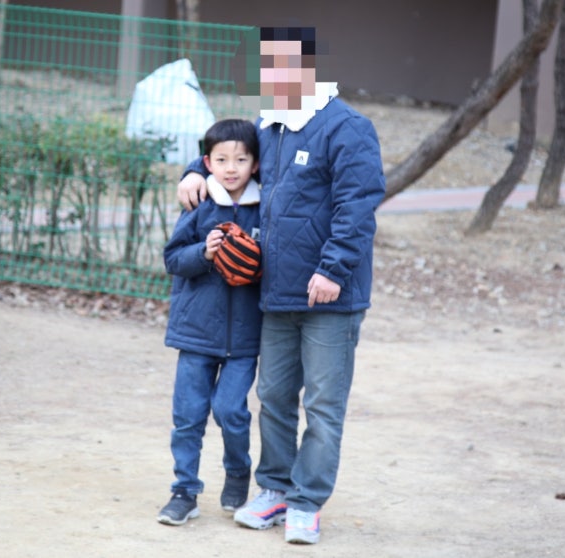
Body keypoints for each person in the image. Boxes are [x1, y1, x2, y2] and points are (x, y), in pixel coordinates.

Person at [177, 27, 386, 544]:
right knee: (272, 397)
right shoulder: (269, 126)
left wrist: (333, 270)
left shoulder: (347, 127)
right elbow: (229, 152)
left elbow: (358, 207)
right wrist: (192, 172)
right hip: (275, 293)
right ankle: (273, 488)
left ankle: (306, 501)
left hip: (330, 295)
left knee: (322, 405)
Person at [157, 118, 263, 526]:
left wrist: (257, 259)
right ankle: (184, 491)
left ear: (256, 164)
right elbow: (173, 259)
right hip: (196, 332)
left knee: (230, 410)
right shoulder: (199, 203)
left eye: (241, 159)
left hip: (246, 336)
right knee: (188, 416)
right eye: (221, 160)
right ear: (207, 163)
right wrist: (204, 252)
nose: (231, 168)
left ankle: (237, 472)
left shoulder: (266, 207)